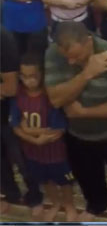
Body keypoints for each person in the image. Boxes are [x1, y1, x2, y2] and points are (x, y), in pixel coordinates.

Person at [44, 21, 107, 221]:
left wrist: (82, 112)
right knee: (87, 177)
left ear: (89, 41)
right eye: (67, 57)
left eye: (76, 56)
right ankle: (96, 204)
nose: (71, 61)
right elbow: (55, 99)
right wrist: (87, 73)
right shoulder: (53, 53)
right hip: (77, 134)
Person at [10, 53, 78, 221]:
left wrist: (28, 129)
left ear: (42, 74)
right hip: (33, 152)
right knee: (46, 181)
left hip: (56, 153)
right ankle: (55, 203)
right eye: (24, 76)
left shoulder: (50, 95)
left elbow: (57, 130)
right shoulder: (18, 95)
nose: (28, 81)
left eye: (33, 76)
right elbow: (15, 126)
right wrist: (33, 138)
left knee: (65, 182)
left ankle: (69, 204)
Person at [0, 28, 43, 218]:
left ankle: (35, 197)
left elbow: (9, 88)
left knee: (22, 159)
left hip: (10, 114)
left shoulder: (3, 39)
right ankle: (10, 195)